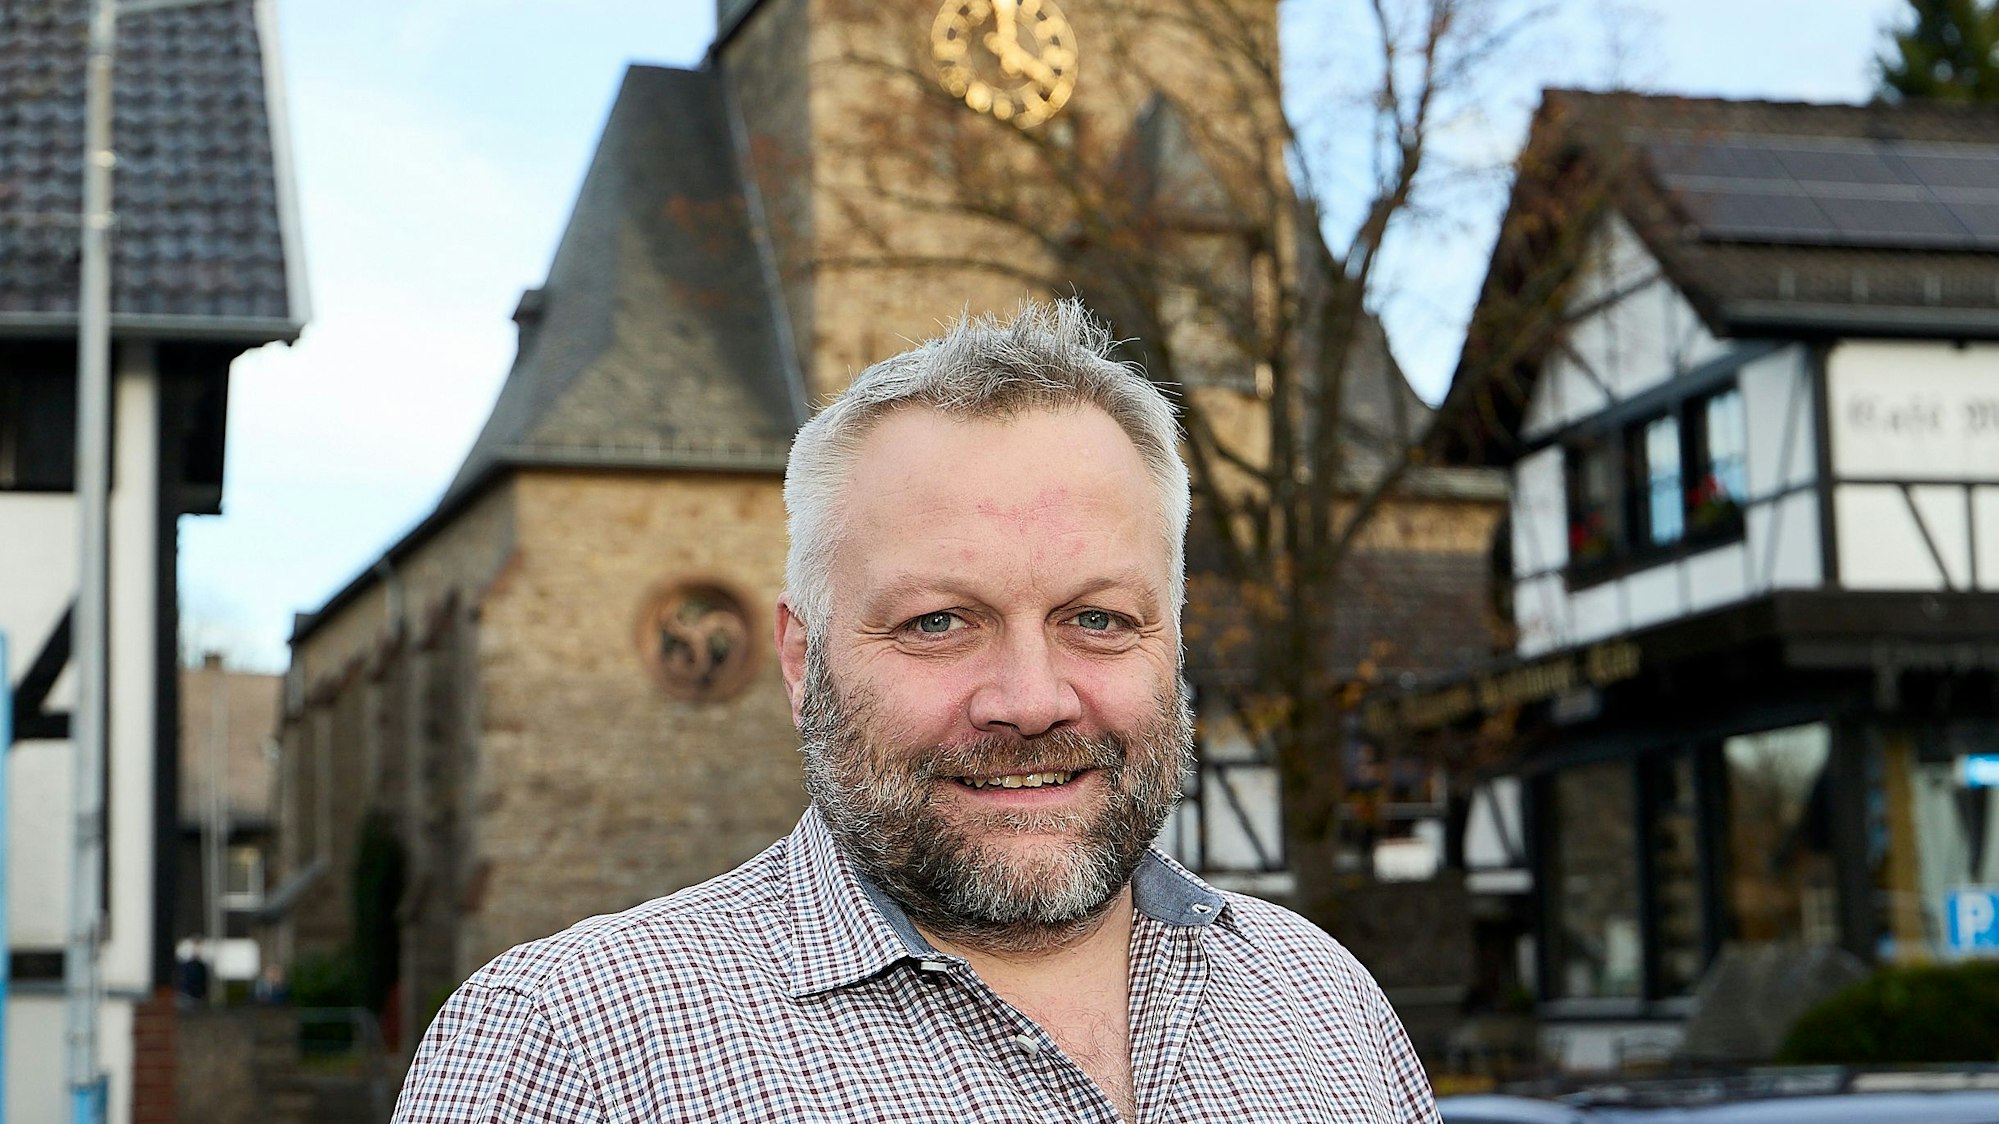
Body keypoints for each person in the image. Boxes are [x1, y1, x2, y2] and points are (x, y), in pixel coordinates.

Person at [393, 300, 1439, 1123]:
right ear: (802, 659)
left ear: (1172, 636)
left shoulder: (1325, 1004)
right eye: (940, 621)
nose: (1030, 700)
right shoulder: (569, 1052)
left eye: (1098, 617)